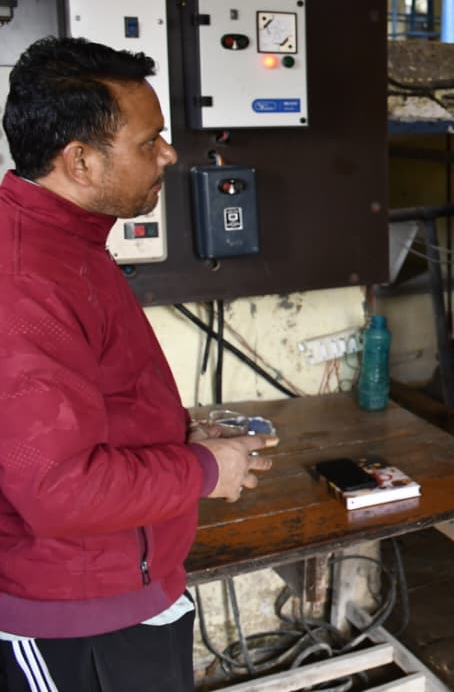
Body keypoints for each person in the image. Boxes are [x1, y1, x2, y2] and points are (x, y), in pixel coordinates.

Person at [0, 36, 275, 690]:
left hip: (127, 587)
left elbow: (88, 409)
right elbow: (60, 490)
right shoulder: (25, 281)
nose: (170, 154)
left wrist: (181, 437)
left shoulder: (69, 242)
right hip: (72, 618)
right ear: (81, 160)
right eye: (149, 141)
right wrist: (205, 469)